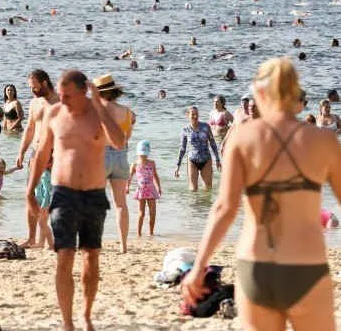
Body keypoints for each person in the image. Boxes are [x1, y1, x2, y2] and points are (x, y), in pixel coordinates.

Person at [181, 57, 341, 331]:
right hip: (306, 265)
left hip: (256, 266)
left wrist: (199, 268)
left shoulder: (242, 138)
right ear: (296, 94)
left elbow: (224, 208)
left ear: (260, 93)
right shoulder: (323, 140)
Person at [26, 70, 125, 331]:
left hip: (93, 193)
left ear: (84, 91)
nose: (62, 99)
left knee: (91, 256)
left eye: (67, 95)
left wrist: (99, 105)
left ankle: (86, 315)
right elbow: (42, 153)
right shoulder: (54, 114)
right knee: (64, 255)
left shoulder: (100, 113)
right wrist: (30, 190)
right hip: (63, 193)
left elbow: (118, 141)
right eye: (60, 94)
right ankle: (67, 322)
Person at [16, 70, 59, 248]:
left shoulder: (59, 102)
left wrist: (55, 155)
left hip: (53, 153)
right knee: (31, 195)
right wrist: (21, 152)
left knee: (49, 197)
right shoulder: (34, 102)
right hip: (35, 151)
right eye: (30, 87)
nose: (32, 90)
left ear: (45, 83)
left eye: (34, 87)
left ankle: (49, 237)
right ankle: (32, 238)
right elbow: (30, 128)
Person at [94, 74, 135, 254]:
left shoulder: (96, 110)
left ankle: (97, 242)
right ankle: (123, 245)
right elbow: (127, 136)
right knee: (121, 204)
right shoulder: (126, 111)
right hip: (121, 155)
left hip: (101, 155)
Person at [175, 106, 221, 191]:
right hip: (192, 160)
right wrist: (178, 166)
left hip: (206, 160)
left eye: (197, 114)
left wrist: (217, 159)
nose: (195, 116)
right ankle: (194, 200)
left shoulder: (206, 127)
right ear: (188, 115)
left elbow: (212, 143)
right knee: (193, 189)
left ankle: (205, 201)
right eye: (193, 114)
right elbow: (182, 149)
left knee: (208, 189)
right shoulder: (185, 130)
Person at [127, 140, 162, 237]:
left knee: (153, 212)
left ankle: (151, 232)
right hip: (141, 191)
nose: (143, 156)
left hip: (151, 190)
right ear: (138, 153)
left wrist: (159, 187)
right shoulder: (135, 164)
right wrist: (127, 187)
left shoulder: (152, 163)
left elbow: (155, 176)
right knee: (141, 213)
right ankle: (139, 233)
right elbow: (129, 177)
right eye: (142, 154)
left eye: (145, 154)